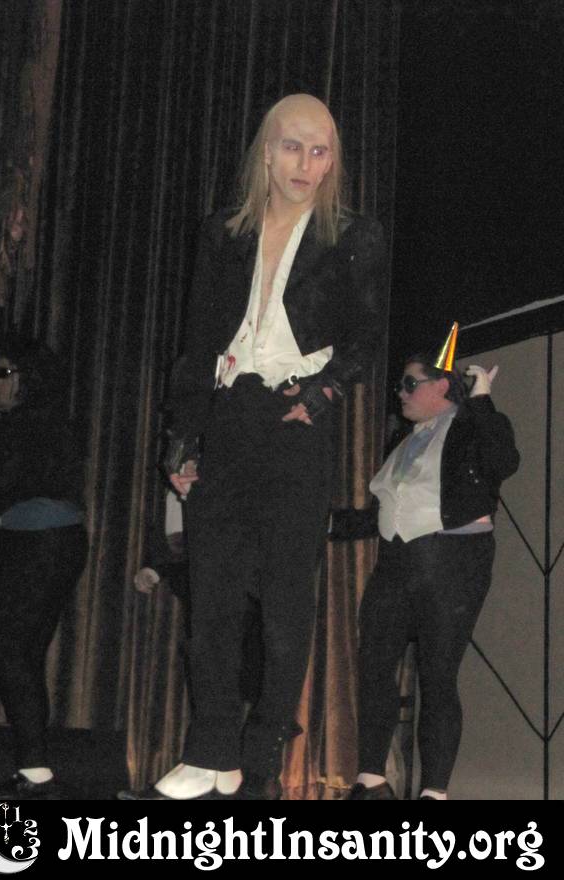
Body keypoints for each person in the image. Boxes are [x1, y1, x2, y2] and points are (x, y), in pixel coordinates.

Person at [121, 93, 386, 800]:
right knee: (211, 595)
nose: (306, 163)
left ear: (332, 161)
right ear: (266, 152)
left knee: (285, 603)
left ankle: (261, 754)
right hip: (229, 413)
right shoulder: (223, 232)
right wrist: (182, 440)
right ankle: (210, 749)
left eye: (321, 150)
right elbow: (196, 342)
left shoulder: (353, 235)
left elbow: (365, 337)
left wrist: (321, 396)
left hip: (295, 419)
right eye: (293, 146)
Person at [334, 340, 519, 800]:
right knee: (374, 668)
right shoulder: (404, 440)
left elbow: (503, 461)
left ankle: (434, 793)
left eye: (410, 383)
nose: (400, 392)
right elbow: (390, 510)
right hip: (396, 565)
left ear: (441, 386)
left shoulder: (474, 427)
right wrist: (326, 523)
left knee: (437, 676)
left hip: (451, 564)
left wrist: (481, 399)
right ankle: (371, 780)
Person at [0, 336, 88, 798]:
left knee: (8, 649)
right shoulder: (39, 421)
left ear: (27, 377)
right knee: (22, 653)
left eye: (5, 374)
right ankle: (35, 768)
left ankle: (35, 767)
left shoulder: (27, 422)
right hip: (50, 541)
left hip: (37, 542)